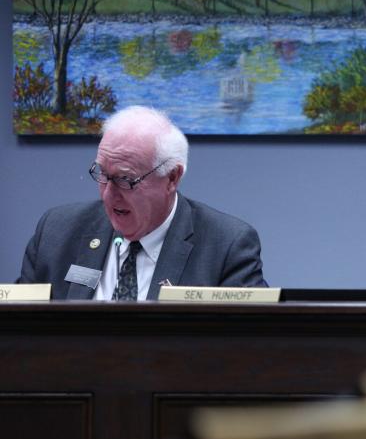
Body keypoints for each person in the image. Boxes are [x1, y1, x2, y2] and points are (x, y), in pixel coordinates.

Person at [18, 106, 268, 300]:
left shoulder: (226, 246)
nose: (108, 194)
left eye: (126, 180)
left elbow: (250, 347)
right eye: (103, 175)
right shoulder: (57, 231)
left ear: (172, 177)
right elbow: (16, 328)